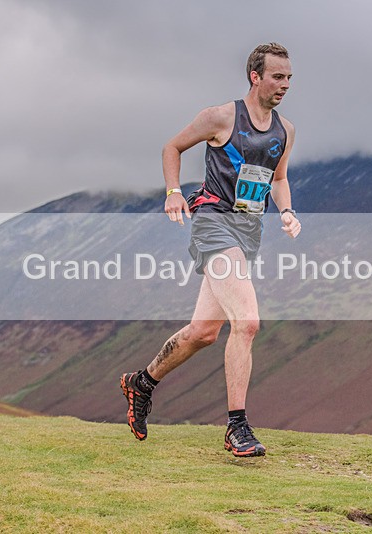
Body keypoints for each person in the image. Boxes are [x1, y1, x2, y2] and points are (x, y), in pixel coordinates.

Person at [120, 43, 300, 457]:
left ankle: (141, 383)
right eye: (278, 76)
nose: (285, 84)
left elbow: (279, 177)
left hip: (248, 229)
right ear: (255, 76)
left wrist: (287, 211)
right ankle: (237, 427)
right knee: (248, 321)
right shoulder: (220, 117)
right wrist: (171, 192)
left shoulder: (286, 130)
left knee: (203, 332)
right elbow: (172, 147)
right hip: (213, 223)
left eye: (289, 77)